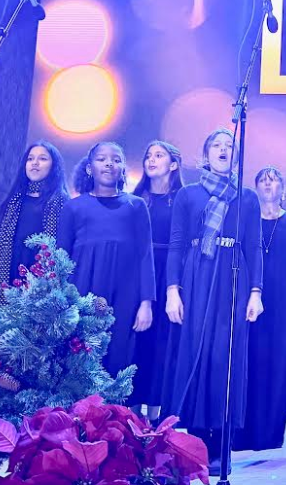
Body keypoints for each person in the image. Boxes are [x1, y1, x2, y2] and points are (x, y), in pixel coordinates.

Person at [163, 128, 264, 475]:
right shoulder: (188, 195)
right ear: (206, 155)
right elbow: (176, 244)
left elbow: (254, 247)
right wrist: (172, 289)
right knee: (196, 352)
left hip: (233, 278)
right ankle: (195, 439)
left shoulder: (246, 198)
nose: (223, 150)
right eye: (217, 146)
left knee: (226, 357)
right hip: (196, 277)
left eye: (229, 146)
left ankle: (222, 442)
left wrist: (256, 292)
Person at [58, 142, 156, 377]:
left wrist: (146, 303)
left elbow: (145, 255)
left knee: (118, 354)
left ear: (122, 168)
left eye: (116, 159)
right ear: (90, 167)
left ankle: (113, 413)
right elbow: (61, 256)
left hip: (125, 294)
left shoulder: (136, 206)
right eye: (102, 159)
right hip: (81, 290)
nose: (109, 163)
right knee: (78, 355)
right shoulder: (73, 207)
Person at [234, 167, 286, 451]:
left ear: (283, 189)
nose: (268, 184)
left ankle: (269, 435)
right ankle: (241, 433)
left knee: (278, 362)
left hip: (283, 297)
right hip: (250, 295)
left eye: (273, 179)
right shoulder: (246, 220)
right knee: (249, 360)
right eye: (262, 180)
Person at [127, 141, 184, 421]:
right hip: (139, 271)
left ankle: (158, 412)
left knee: (165, 342)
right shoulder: (135, 199)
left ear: (173, 165)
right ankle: (132, 410)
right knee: (137, 339)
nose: (151, 160)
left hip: (170, 272)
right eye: (148, 155)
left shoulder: (183, 199)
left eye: (159, 155)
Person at [0, 141, 69, 313]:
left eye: (43, 158)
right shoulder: (13, 201)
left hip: (41, 283)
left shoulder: (61, 203)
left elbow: (63, 253)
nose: (35, 163)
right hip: (7, 280)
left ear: (54, 166)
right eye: (30, 159)